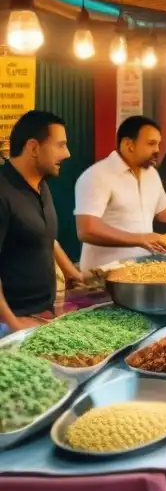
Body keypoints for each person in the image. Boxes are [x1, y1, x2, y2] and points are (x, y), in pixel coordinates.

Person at [75, 116, 166, 272]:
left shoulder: (151, 174)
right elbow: (87, 230)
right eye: (151, 144)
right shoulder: (97, 176)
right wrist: (140, 239)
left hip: (142, 269)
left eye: (158, 144)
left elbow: (163, 209)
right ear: (129, 144)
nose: (157, 150)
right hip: (104, 273)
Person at [0, 111, 83, 333]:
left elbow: (43, 235)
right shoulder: (2, 191)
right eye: (60, 145)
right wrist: (12, 324)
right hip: (12, 322)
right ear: (33, 147)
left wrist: (71, 272)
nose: (67, 154)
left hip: (42, 313)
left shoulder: (41, 185)